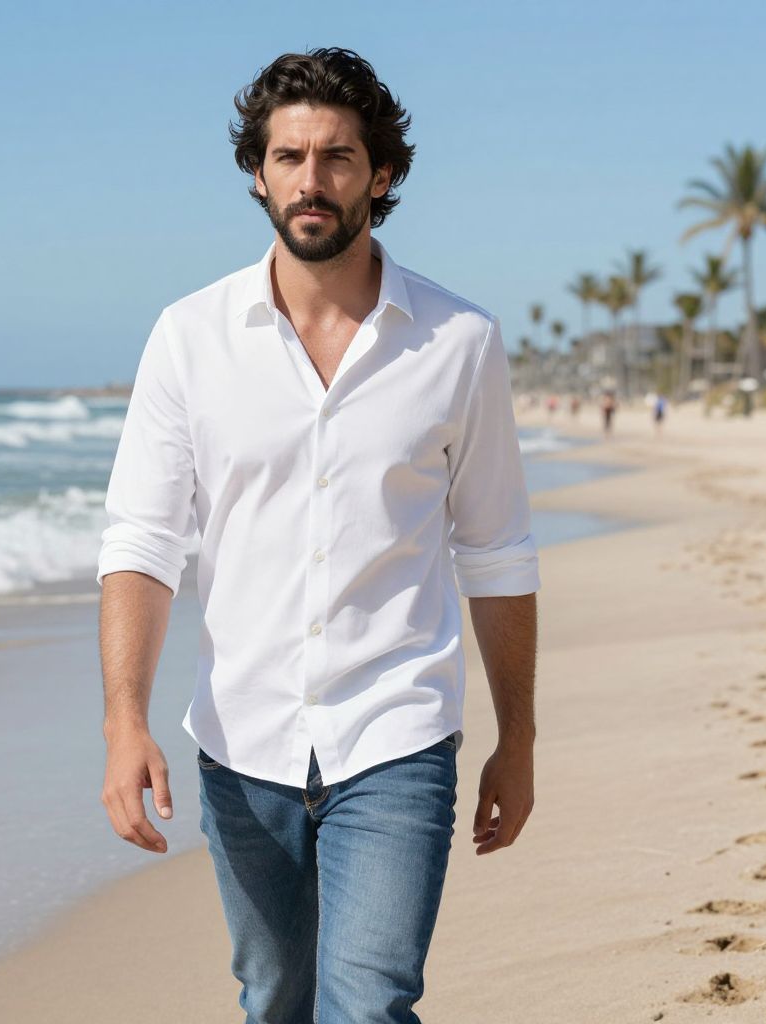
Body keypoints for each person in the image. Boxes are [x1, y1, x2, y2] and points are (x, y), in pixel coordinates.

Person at [96, 47, 540, 1024]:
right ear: (257, 172)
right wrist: (124, 719)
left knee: (366, 1002)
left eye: (336, 157)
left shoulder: (458, 341)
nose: (310, 180)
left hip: (397, 728)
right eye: (288, 157)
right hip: (240, 740)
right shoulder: (189, 337)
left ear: (380, 174)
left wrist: (519, 735)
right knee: (275, 1000)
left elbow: (496, 550)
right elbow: (142, 542)